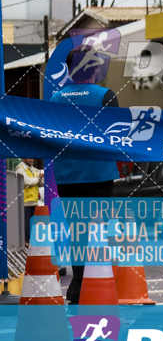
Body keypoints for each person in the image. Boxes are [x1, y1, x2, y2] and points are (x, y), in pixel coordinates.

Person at [50, 49, 120, 304]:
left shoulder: (56, 98)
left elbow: (48, 136)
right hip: (99, 174)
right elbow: (117, 135)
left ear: (69, 71)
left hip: (68, 175)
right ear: (93, 70)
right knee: (98, 232)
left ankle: (78, 290)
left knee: (77, 234)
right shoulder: (105, 95)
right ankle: (96, 289)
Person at [15, 158, 43, 243]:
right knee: (26, 226)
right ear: (23, 159)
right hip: (25, 202)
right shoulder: (20, 169)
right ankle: (25, 243)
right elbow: (27, 182)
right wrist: (38, 177)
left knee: (32, 225)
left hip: (34, 202)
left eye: (32, 158)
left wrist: (41, 178)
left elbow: (40, 183)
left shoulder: (33, 169)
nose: (32, 160)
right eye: (29, 158)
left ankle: (30, 243)